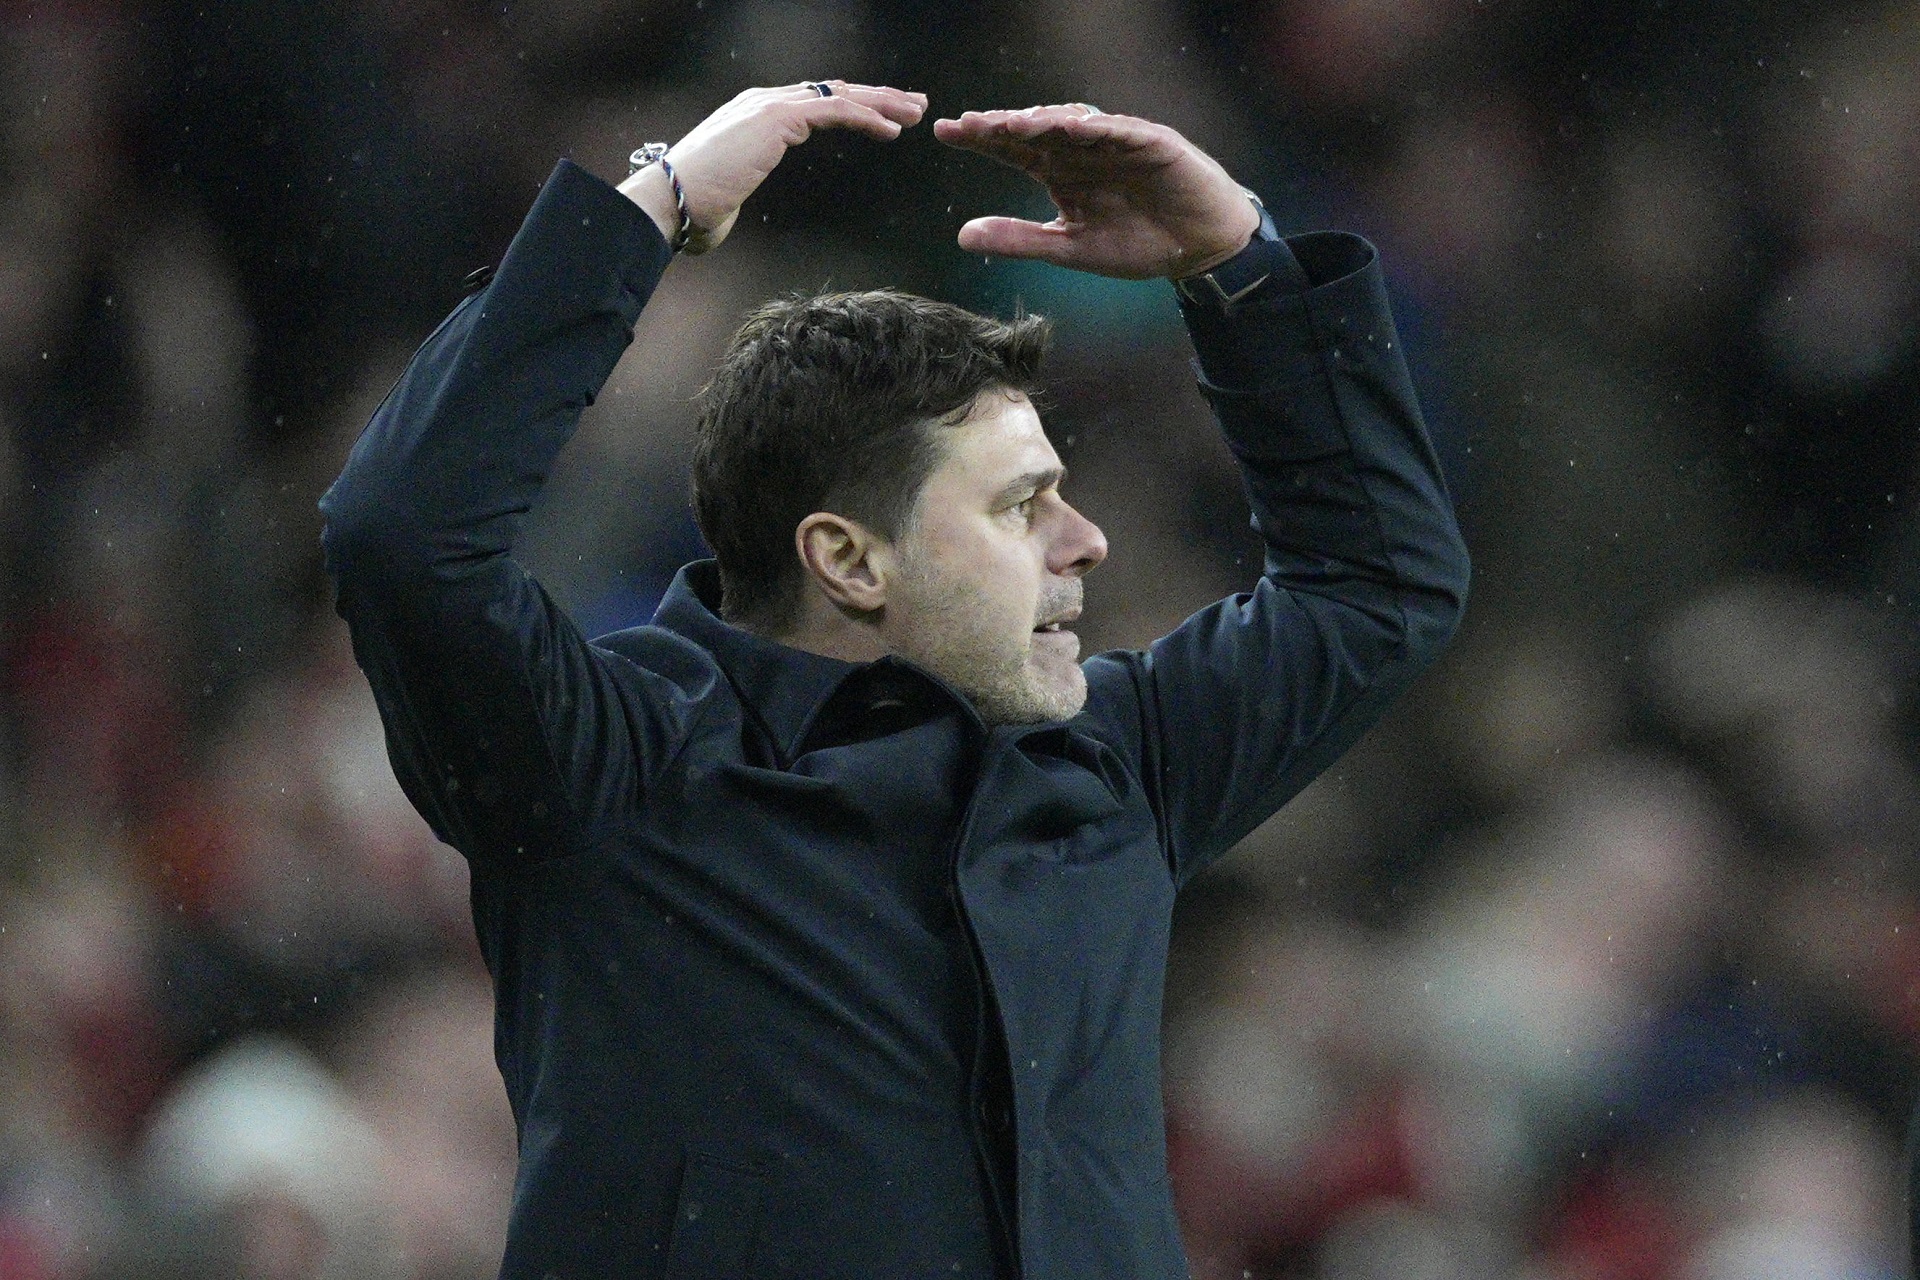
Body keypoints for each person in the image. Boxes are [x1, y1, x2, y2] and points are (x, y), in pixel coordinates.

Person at [320, 80, 1467, 1280]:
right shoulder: (612, 771)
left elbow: (1381, 585)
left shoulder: (1112, 759)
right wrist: (651, 207)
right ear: (849, 559)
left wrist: (1238, 265)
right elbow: (402, 539)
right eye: (1022, 504)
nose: (1086, 541)